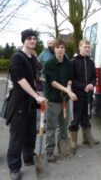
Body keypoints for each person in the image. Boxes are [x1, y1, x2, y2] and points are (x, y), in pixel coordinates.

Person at [6, 29, 47, 180]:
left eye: (34, 38)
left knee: (30, 131)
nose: (32, 40)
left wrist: (40, 94)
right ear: (23, 40)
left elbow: (34, 79)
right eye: (29, 38)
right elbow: (21, 80)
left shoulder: (32, 58)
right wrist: (36, 96)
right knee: (17, 136)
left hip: (31, 102)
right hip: (19, 103)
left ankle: (29, 157)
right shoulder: (17, 57)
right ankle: (14, 167)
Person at [44, 39, 77, 162]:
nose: (60, 50)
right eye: (58, 47)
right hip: (53, 100)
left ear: (64, 49)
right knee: (51, 127)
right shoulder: (48, 64)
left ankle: (63, 149)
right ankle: (49, 152)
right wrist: (68, 91)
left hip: (65, 101)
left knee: (64, 126)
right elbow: (53, 82)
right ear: (54, 49)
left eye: (62, 47)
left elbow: (69, 79)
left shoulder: (68, 63)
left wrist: (68, 88)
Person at [70, 39, 99, 153]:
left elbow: (93, 77)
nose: (87, 49)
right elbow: (72, 79)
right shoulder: (74, 62)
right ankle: (73, 141)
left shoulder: (91, 62)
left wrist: (92, 84)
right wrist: (84, 86)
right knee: (76, 117)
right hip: (77, 95)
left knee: (87, 116)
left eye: (88, 47)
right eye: (85, 47)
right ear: (80, 47)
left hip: (88, 95)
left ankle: (86, 138)